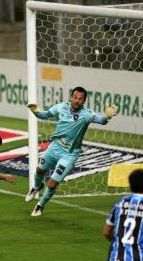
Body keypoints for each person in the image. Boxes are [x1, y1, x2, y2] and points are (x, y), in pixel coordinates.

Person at [25, 86, 117, 216]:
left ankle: (40, 205)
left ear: (84, 101)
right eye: (75, 97)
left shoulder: (86, 115)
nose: (77, 100)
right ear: (71, 97)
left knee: (52, 183)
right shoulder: (61, 107)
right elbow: (44, 115)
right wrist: (35, 111)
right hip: (55, 146)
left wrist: (107, 117)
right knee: (39, 170)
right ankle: (36, 187)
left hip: (69, 154)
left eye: (80, 99)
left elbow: (100, 120)